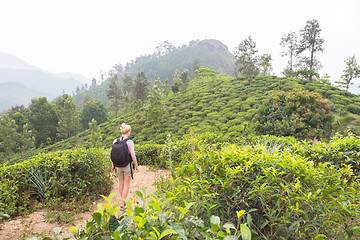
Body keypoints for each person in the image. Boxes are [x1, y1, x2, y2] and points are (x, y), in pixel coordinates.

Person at [111, 123, 139, 210]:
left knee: (121, 183)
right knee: (126, 184)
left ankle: (123, 202)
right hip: (127, 165)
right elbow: (133, 155)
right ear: (128, 132)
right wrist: (136, 166)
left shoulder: (115, 141)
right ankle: (122, 204)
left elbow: (114, 155)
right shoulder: (129, 142)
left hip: (118, 166)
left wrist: (113, 165)